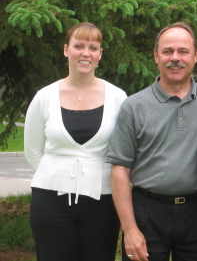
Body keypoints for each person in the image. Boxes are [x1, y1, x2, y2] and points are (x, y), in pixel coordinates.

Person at [106, 22, 197, 261]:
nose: (175, 58)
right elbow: (119, 171)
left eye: (183, 51)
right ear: (156, 56)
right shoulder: (134, 107)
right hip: (147, 213)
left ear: (196, 55)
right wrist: (130, 229)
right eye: (167, 51)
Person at [24, 22, 127, 261]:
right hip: (51, 200)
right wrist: (57, 175)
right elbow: (32, 151)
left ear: (100, 54)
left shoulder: (118, 98)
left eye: (93, 47)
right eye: (78, 46)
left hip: (102, 201)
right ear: (66, 50)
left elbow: (123, 151)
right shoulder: (44, 97)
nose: (85, 53)